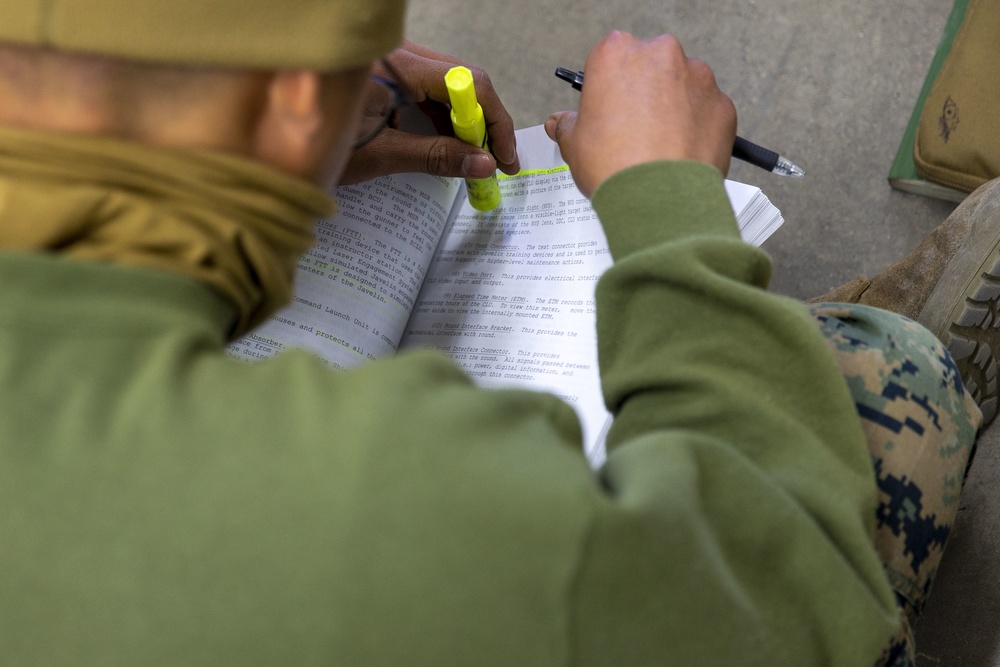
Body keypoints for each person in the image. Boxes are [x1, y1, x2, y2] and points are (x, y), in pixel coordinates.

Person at [0, 0, 984, 664]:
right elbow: (793, 602)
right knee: (883, 379)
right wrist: (668, 204)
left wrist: (255, 154)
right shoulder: (378, 501)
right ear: (298, 101)